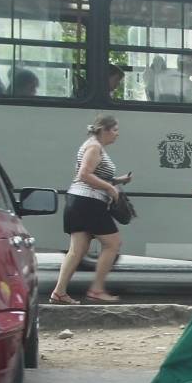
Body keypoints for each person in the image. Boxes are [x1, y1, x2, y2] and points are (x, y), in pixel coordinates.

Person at [50, 114, 133, 304]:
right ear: (103, 129)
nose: (117, 134)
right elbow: (84, 175)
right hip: (88, 202)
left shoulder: (93, 145)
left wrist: (119, 180)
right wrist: (111, 188)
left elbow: (93, 174)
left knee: (77, 250)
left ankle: (59, 292)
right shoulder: (94, 147)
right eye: (115, 130)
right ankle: (96, 290)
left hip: (79, 201)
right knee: (113, 243)